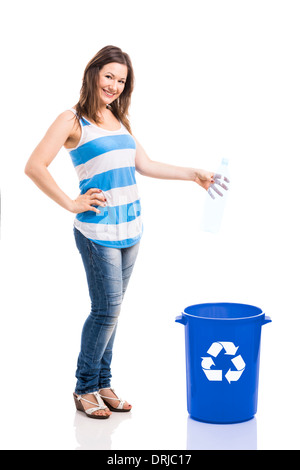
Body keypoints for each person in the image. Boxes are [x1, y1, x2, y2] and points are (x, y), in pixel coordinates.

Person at [25, 45, 223, 419]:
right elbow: (34, 165)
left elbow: (144, 164)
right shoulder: (72, 120)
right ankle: (85, 387)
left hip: (131, 229)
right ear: (93, 73)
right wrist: (71, 202)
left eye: (122, 80)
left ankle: (103, 382)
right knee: (106, 310)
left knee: (111, 312)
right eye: (109, 76)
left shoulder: (119, 119)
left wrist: (192, 172)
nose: (115, 85)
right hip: (97, 231)